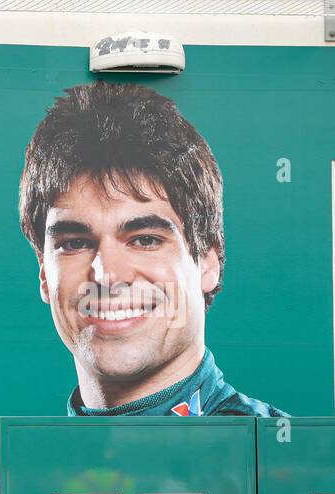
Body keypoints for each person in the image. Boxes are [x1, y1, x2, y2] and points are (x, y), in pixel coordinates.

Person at [20, 81, 284, 417]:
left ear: (207, 263)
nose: (108, 275)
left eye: (145, 239)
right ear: (44, 274)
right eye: (75, 243)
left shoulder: (293, 462)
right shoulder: (25, 465)